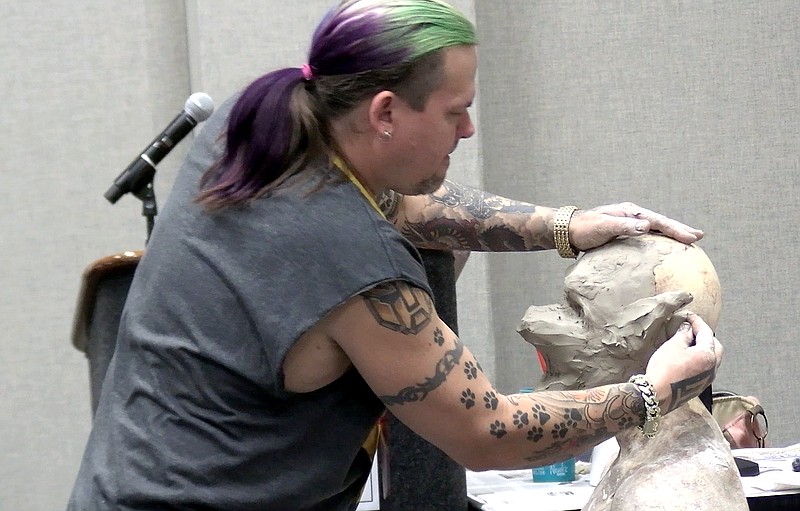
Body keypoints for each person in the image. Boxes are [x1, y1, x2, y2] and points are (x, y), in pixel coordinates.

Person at [68, 1, 722, 510]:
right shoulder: (356, 265)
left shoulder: (254, 126)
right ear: (384, 112)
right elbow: (486, 429)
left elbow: (397, 205)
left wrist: (564, 225)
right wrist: (654, 390)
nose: (467, 130)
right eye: (455, 112)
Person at [518, 233, 744, 511]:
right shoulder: (629, 456)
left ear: (666, 338)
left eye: (578, 312)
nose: (532, 324)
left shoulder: (661, 495)